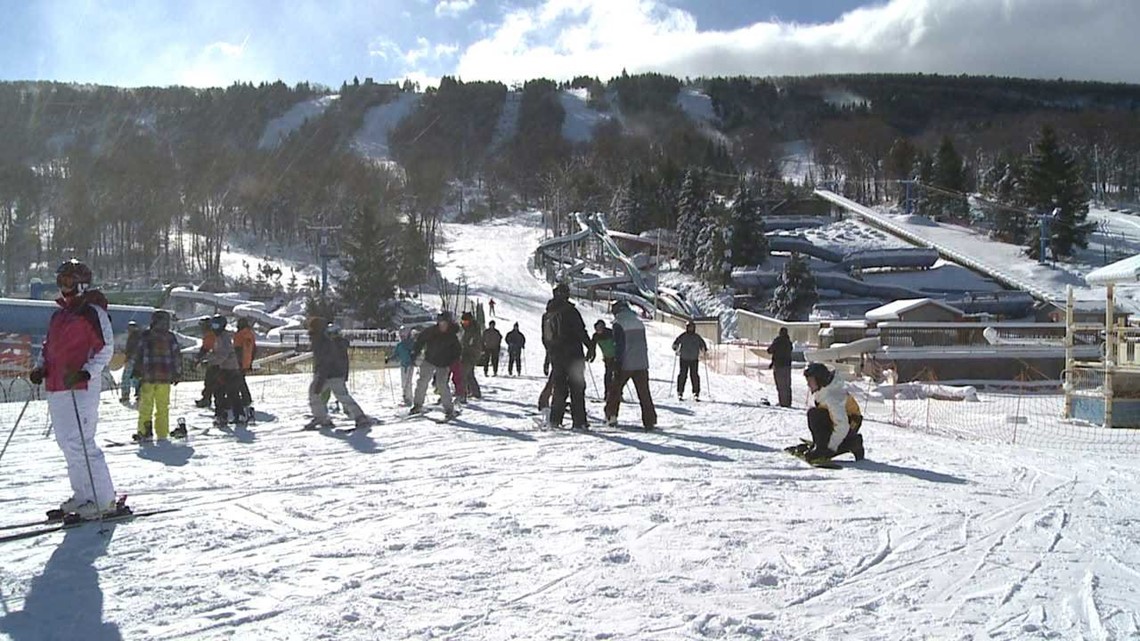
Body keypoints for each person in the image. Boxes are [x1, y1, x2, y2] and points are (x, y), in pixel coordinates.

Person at [28, 259, 118, 518]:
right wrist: (40, 367)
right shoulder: (59, 315)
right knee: (67, 443)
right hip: (57, 386)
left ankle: (103, 499)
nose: (64, 287)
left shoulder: (93, 313)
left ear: (82, 283)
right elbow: (49, 348)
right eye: (61, 281)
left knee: (81, 441)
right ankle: (83, 496)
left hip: (81, 385)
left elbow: (106, 349)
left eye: (68, 281)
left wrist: (86, 371)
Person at [541, 283, 592, 429]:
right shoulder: (570, 311)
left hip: (556, 357)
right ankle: (579, 421)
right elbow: (580, 331)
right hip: (574, 355)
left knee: (559, 388)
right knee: (577, 387)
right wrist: (590, 346)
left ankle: (555, 419)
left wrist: (549, 355)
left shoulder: (547, 314)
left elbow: (545, 339)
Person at [304, 321, 371, 430]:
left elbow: (327, 362)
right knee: (323, 394)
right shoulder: (338, 344)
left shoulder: (333, 345)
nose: (331, 336)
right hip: (332, 375)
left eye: (332, 334)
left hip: (331, 375)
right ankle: (322, 417)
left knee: (336, 395)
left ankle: (358, 416)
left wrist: (321, 379)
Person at [796, 363, 865, 462]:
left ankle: (852, 443)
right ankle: (822, 445)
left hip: (851, 423)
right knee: (816, 415)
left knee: (815, 415)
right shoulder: (824, 390)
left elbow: (842, 425)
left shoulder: (833, 397)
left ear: (819, 380)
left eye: (810, 381)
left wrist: (829, 449)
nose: (808, 384)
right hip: (846, 421)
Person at [605, 300, 657, 430]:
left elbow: (619, 345)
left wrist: (616, 362)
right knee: (644, 393)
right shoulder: (639, 322)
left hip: (625, 363)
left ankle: (611, 416)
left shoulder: (619, 324)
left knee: (615, 390)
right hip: (641, 363)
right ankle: (649, 420)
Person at [132, 310, 182, 443]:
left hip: (148, 376)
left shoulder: (146, 335)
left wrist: (136, 370)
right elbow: (176, 356)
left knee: (146, 406)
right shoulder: (170, 337)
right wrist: (177, 373)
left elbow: (139, 354)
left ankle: (144, 431)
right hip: (165, 378)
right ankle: (162, 433)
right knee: (162, 406)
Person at [410, 311, 461, 418]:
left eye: (445, 324)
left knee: (442, 384)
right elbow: (420, 341)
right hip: (429, 360)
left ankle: (449, 409)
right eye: (441, 323)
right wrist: (415, 353)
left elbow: (457, 351)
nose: (442, 326)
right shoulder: (431, 331)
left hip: (443, 363)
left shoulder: (452, 336)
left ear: (448, 323)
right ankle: (417, 405)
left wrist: (453, 361)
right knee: (422, 382)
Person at [202, 315, 246, 427]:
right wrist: (209, 357)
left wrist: (211, 361)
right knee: (225, 393)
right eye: (212, 325)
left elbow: (223, 354)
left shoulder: (224, 338)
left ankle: (229, 415)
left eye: (216, 325)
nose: (214, 328)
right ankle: (227, 415)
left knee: (225, 393)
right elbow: (217, 353)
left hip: (228, 370)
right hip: (225, 369)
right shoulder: (219, 337)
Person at [672, 321, 708, 400]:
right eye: (689, 327)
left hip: (694, 359)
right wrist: (675, 346)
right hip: (684, 358)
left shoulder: (696, 337)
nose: (690, 329)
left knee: (694, 376)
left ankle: (696, 392)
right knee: (682, 375)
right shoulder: (683, 336)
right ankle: (680, 391)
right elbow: (676, 342)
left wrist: (704, 348)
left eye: (691, 327)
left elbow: (702, 343)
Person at [587, 320, 618, 401]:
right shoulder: (596, 336)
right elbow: (592, 347)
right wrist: (590, 356)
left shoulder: (610, 333)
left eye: (600, 328)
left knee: (617, 375)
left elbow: (618, 343)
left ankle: (617, 393)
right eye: (597, 328)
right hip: (607, 358)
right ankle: (607, 393)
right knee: (608, 375)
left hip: (616, 357)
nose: (598, 330)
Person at [386, 326, 417, 406]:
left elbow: (416, 351)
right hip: (403, 366)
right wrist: (389, 359)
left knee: (408, 383)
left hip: (409, 365)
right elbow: (396, 355)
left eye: (403, 335)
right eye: (401, 336)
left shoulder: (411, 343)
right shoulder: (399, 345)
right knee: (404, 383)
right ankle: (405, 397)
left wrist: (414, 356)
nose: (402, 337)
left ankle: (409, 398)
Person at [234, 317, 257, 421]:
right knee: (241, 380)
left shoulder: (239, 335)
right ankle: (246, 398)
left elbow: (237, 349)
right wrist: (250, 362)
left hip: (239, 362)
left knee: (239, 381)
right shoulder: (250, 334)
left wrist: (235, 362)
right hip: (246, 361)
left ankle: (245, 399)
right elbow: (254, 349)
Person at [459, 311, 483, 401]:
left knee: (463, 374)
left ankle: (463, 393)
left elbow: (472, 344)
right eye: (463, 322)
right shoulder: (466, 330)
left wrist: (466, 350)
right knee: (469, 374)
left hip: (469, 355)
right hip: (466, 354)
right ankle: (474, 391)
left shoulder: (473, 330)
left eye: (466, 322)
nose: (464, 323)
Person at [767, 327, 794, 408]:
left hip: (779, 365)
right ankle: (788, 402)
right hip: (787, 366)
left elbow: (769, 350)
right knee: (787, 384)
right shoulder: (789, 342)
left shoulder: (778, 341)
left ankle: (783, 402)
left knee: (781, 384)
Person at [194, 317, 217, 409]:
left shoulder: (211, 335)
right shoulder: (208, 335)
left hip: (216, 363)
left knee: (211, 381)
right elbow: (204, 348)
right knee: (209, 381)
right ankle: (206, 398)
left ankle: (206, 399)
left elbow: (208, 349)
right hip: (212, 362)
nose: (201, 328)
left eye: (203, 326)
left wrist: (200, 358)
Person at [120, 320, 142, 404]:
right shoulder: (139, 336)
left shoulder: (133, 337)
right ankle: (139, 394)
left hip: (132, 360)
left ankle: (125, 395)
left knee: (126, 377)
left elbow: (131, 349)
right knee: (136, 377)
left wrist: (128, 357)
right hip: (138, 360)